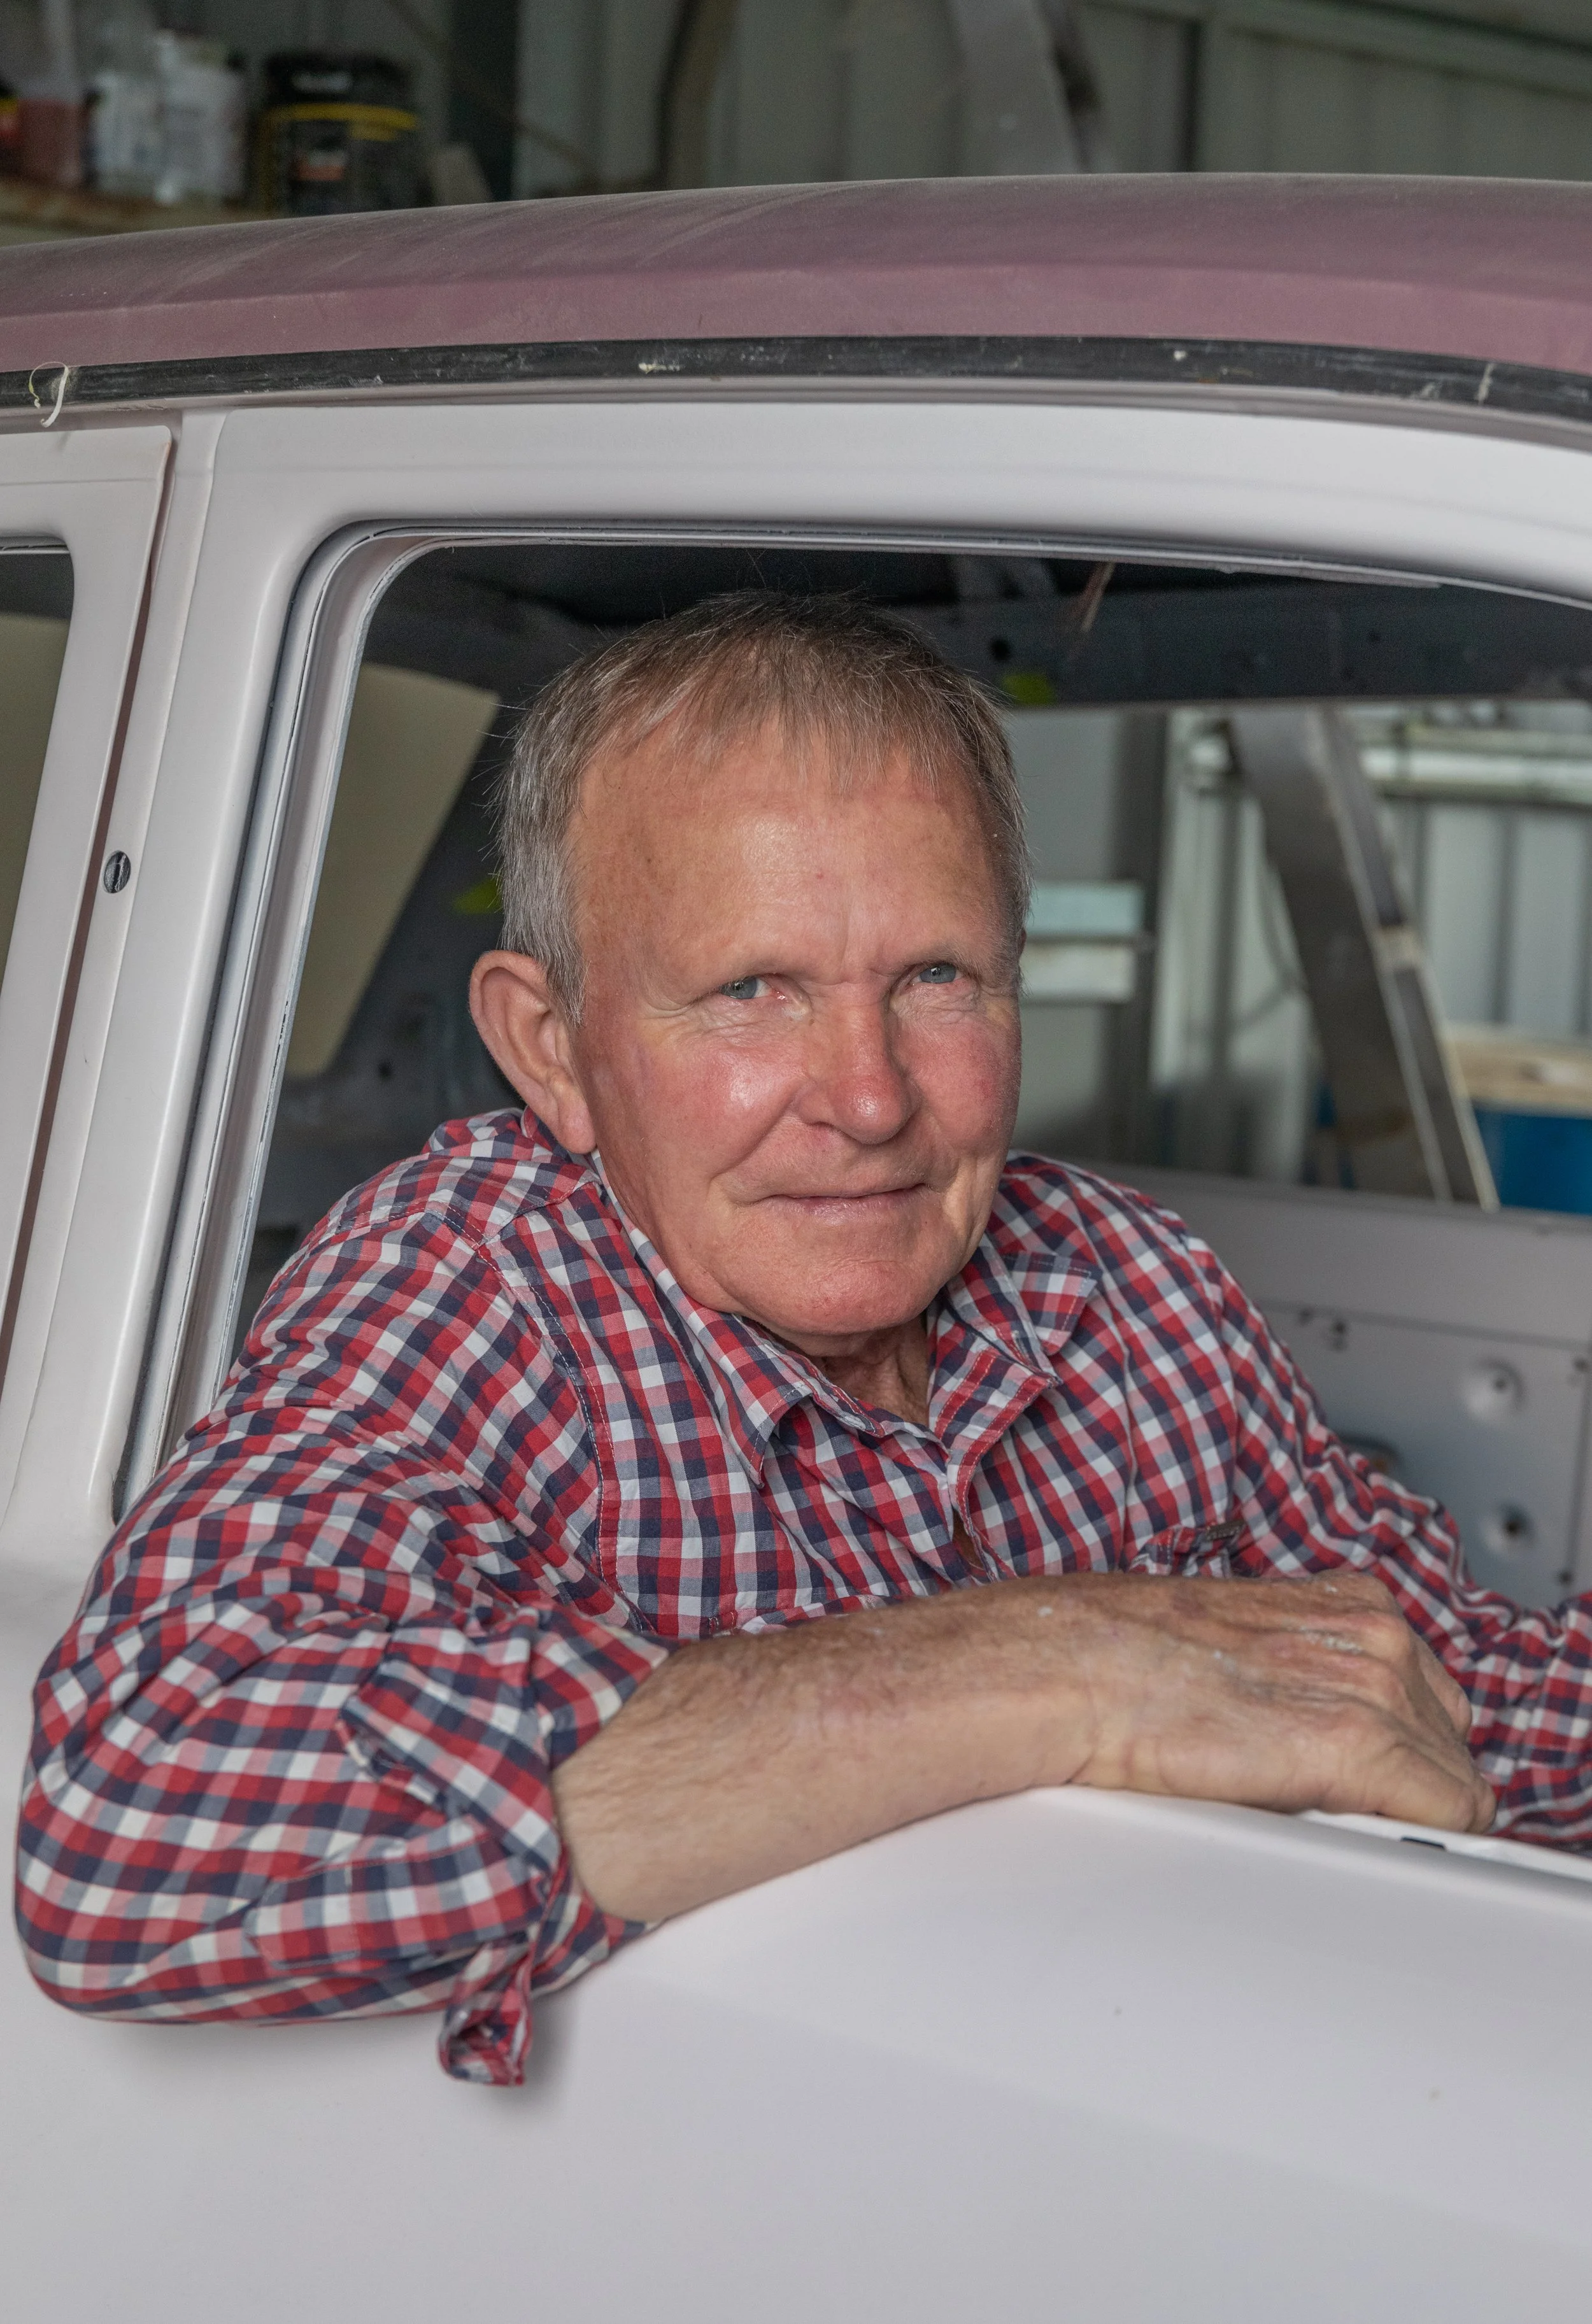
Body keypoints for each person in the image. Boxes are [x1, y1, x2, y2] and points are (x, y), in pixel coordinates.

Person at [18, 592, 1586, 2091]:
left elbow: (1454, 1698)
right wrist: (1073, 1662)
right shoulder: (479, 1283)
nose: (868, 1095)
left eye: (934, 978)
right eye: (752, 988)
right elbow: (132, 1838)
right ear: (550, 1050)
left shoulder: (1122, 1282)